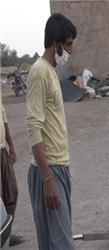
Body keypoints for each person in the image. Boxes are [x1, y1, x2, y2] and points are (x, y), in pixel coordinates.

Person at [26, 13, 77, 250]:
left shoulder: (51, 71)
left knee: (55, 241)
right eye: (68, 44)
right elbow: (33, 127)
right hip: (49, 171)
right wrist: (47, 179)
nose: (70, 50)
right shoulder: (39, 72)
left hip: (59, 167)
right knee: (62, 244)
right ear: (56, 44)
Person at [0, 99, 25, 246]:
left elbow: (4, 120)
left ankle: (6, 231)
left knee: (12, 192)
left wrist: (12, 146)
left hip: (2, 150)